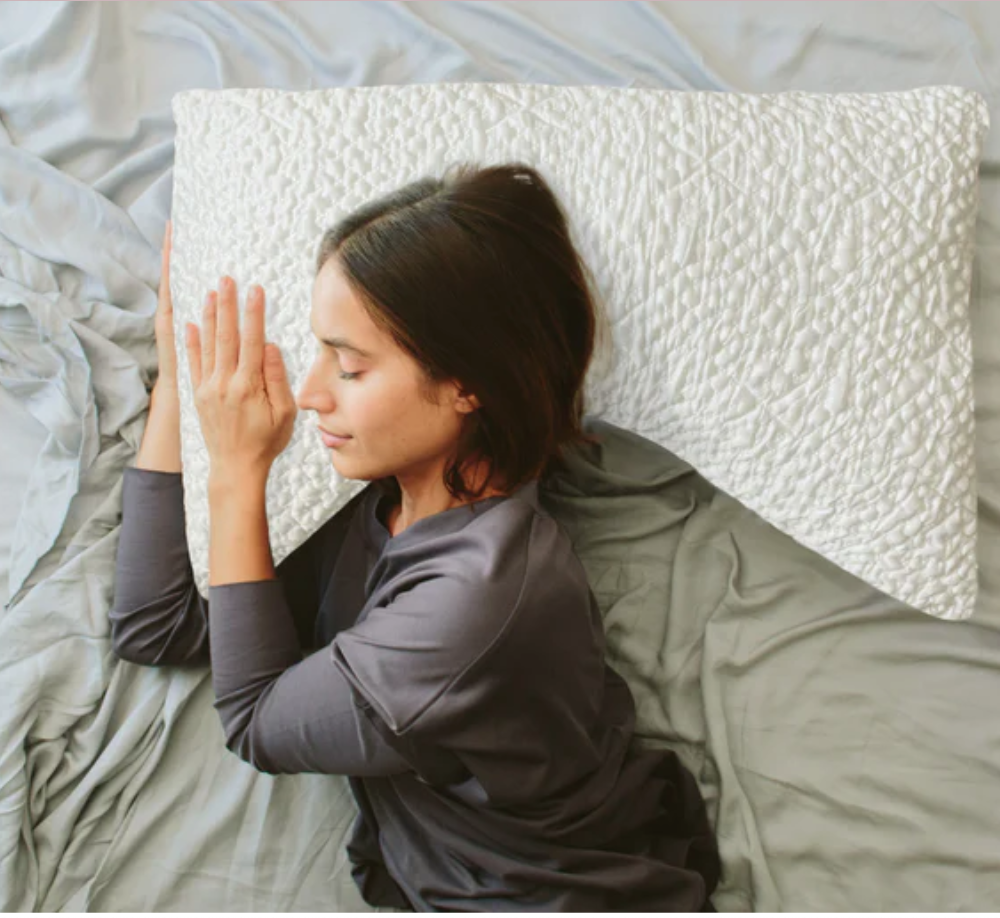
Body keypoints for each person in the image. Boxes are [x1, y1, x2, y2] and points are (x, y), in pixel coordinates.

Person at [110, 162, 720, 911]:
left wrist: (237, 473)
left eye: (351, 367)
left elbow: (256, 720)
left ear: (468, 383)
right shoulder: (392, 500)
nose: (310, 394)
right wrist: (175, 378)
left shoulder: (474, 607)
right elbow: (155, 624)